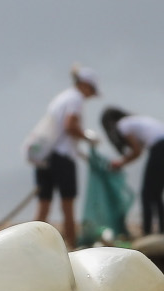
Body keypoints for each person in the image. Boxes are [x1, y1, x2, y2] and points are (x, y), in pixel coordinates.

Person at [23, 65, 98, 247]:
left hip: (45, 156)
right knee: (67, 203)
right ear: (85, 85)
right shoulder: (75, 99)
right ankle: (71, 244)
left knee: (44, 204)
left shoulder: (61, 98)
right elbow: (70, 125)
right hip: (62, 157)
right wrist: (87, 137)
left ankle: (32, 245)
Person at [101, 107, 164, 236]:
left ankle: (147, 231)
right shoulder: (135, 122)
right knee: (157, 194)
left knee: (146, 194)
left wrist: (120, 162)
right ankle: (162, 231)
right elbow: (138, 151)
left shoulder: (123, 125)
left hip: (161, 148)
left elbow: (137, 151)